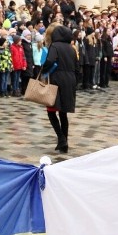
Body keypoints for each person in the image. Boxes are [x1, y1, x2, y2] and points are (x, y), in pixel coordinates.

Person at [40, 24, 77, 153]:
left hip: (57, 79)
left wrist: (43, 70)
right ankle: (64, 141)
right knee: (63, 112)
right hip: (70, 79)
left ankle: (61, 139)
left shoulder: (55, 46)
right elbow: (77, 66)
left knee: (51, 110)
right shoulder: (72, 48)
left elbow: (50, 61)